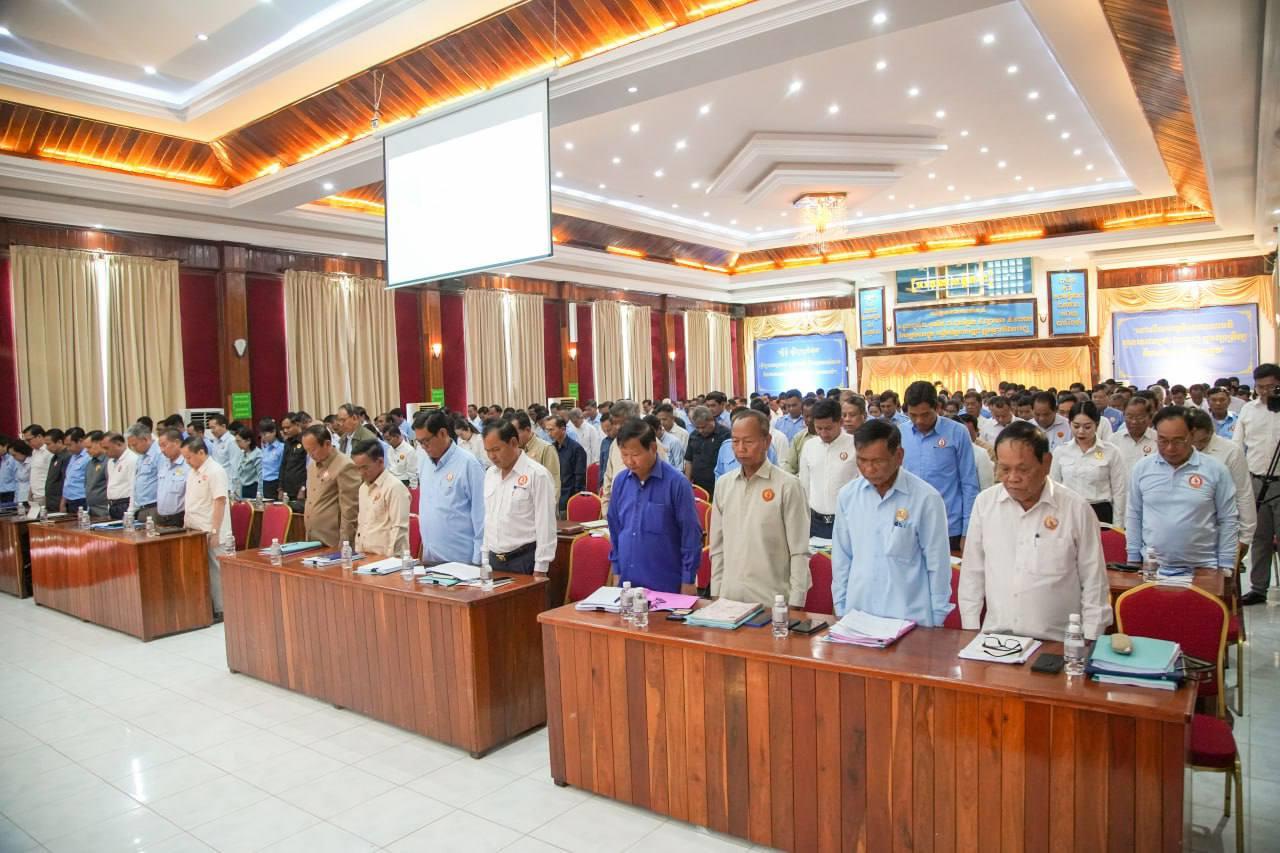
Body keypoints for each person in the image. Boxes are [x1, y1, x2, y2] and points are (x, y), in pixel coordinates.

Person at [959, 421, 1112, 641]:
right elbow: (972, 572)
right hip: (996, 639)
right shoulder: (985, 503)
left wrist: (1090, 639)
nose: (1012, 478)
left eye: (1023, 469)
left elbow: (1094, 581)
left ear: (1046, 463)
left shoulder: (1075, 508)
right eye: (1004, 469)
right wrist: (970, 628)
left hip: (1057, 641)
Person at [830, 419, 952, 625]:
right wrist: (841, 607)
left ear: (899, 456)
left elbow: (937, 563)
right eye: (862, 460)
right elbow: (842, 557)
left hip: (909, 617)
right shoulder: (847, 496)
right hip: (858, 614)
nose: (869, 469)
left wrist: (938, 617)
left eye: (877, 461)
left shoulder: (926, 499)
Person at [708, 409, 810, 607]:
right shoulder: (723, 484)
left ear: (766, 441)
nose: (740, 449)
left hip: (772, 600)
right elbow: (717, 546)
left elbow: (799, 550)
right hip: (729, 598)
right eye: (735, 441)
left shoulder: (788, 485)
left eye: (748, 441)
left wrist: (796, 602)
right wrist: (716, 591)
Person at [1126, 406, 1238, 575]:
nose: (1170, 448)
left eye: (1178, 441)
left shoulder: (1215, 470)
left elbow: (1228, 519)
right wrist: (1133, 558)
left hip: (1204, 567)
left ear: (1192, 435)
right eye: (1163, 440)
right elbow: (1134, 515)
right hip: (1154, 567)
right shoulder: (1142, 468)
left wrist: (1227, 564)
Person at [606, 417, 703, 593]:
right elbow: (615, 528)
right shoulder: (621, 482)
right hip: (628, 582)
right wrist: (617, 569)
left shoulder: (676, 483)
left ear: (653, 448)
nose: (629, 461)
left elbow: (690, 534)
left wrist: (688, 580)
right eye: (624, 455)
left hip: (666, 583)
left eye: (635, 455)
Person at [898, 381, 979, 550]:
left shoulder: (957, 432)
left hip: (949, 527)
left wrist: (968, 531)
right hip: (909, 525)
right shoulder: (899, 433)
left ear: (937, 407)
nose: (919, 421)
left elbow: (969, 483)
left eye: (925, 415)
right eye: (913, 415)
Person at [481, 419, 557, 575]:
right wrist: (485, 558)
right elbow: (489, 518)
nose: (492, 456)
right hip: (494, 560)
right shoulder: (490, 474)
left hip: (523, 560)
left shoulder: (537, 474)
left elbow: (546, 524)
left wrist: (541, 568)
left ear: (514, 443)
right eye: (487, 451)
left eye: (496, 449)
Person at [1233, 364, 1280, 603]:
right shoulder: (1248, 410)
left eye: (1270, 387)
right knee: (1260, 537)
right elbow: (1237, 445)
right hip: (1256, 480)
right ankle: (1258, 588)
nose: (1265, 392)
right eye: (1260, 387)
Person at [415, 411, 485, 565]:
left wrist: (478, 560)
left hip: (461, 560)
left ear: (442, 433)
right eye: (419, 442)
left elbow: (481, 515)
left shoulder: (468, 464)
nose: (423, 447)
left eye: (426, 441)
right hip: (431, 557)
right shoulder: (425, 462)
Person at [1189, 408, 1256, 556]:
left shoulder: (1231, 451)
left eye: (1203, 441)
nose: (1197, 446)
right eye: (1192, 441)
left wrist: (1246, 537)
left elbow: (1243, 494)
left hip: (1222, 531)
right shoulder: (1182, 449)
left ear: (1211, 431)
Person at [181, 437, 233, 619]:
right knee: (203, 570)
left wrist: (215, 531)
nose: (187, 461)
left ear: (201, 452)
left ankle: (224, 609)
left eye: (189, 457)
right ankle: (209, 608)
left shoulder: (215, 471)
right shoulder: (193, 472)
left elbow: (220, 501)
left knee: (217, 570)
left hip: (212, 530)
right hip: (195, 530)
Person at [1049, 401, 1126, 524]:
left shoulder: (1111, 452)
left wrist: (1118, 525)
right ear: (1069, 423)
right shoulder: (1061, 451)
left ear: (1097, 425)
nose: (1081, 431)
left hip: (1100, 512)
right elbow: (1054, 487)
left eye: (1087, 427)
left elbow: (1119, 492)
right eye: (1076, 426)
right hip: (1069, 511)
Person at [797, 398, 860, 539]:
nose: (824, 433)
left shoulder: (855, 445)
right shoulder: (809, 446)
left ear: (840, 422)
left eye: (828, 428)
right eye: (819, 428)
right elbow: (804, 484)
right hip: (815, 521)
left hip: (847, 519)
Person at [300, 424, 361, 548]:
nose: (310, 455)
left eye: (313, 450)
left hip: (332, 540)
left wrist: (345, 542)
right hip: (312, 537)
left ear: (327, 444)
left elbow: (350, 509)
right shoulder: (312, 466)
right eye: (307, 451)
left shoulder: (345, 465)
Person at [348, 440, 410, 557]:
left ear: (380, 462)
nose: (361, 473)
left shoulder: (395, 487)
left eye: (365, 467)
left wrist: (390, 561)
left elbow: (399, 529)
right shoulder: (363, 488)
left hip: (386, 559)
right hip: (365, 556)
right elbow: (362, 524)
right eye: (358, 468)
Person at [513, 411, 561, 509]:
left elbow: (554, 484)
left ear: (527, 430)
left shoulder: (546, 448)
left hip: (541, 508)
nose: (512, 438)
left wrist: (547, 509)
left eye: (516, 433)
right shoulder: (515, 450)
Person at [545, 415, 586, 515]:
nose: (549, 433)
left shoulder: (576, 449)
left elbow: (580, 478)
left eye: (551, 430)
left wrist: (575, 501)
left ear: (563, 429)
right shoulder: (551, 448)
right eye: (547, 430)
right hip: (554, 496)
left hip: (568, 498)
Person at [1113, 395, 1158, 481]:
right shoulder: (1114, 439)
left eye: (1139, 417)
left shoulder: (1158, 440)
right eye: (1129, 417)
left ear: (1150, 417)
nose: (1134, 421)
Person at [154, 428, 188, 527]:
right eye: (160, 446)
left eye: (164, 445)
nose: (161, 450)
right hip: (161, 517)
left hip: (179, 518)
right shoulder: (163, 464)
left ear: (177, 443)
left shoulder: (188, 465)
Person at [955, 414, 995, 490]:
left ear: (977, 432)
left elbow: (987, 486)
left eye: (969, 433)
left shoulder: (983, 452)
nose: (966, 437)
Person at [278, 413, 309, 505]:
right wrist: (280, 488)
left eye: (288, 427)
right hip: (287, 490)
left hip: (300, 489)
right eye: (283, 428)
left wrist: (303, 488)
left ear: (297, 425)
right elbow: (283, 465)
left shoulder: (305, 440)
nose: (285, 431)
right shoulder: (287, 442)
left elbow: (308, 467)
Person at [103, 433, 135, 520]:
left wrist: (130, 512)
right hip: (113, 505)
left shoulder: (132, 459)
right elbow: (111, 486)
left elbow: (134, 487)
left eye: (107, 448)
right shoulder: (110, 462)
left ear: (119, 444)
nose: (104, 451)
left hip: (125, 505)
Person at [60, 428, 89, 513]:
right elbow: (68, 480)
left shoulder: (88, 457)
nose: (67, 448)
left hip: (82, 499)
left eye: (69, 445)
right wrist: (63, 502)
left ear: (80, 441)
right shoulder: (73, 456)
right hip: (70, 500)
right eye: (66, 445)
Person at [23, 426, 51, 509]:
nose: (27, 443)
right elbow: (35, 474)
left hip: (45, 495)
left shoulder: (48, 451)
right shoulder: (34, 451)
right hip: (35, 495)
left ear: (39, 436)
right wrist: (30, 493)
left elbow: (51, 475)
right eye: (25, 441)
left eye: (29, 440)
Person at [258, 419, 285, 500]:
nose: (263, 437)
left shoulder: (281, 447)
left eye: (265, 434)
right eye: (261, 435)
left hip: (276, 482)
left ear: (274, 432)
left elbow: (283, 468)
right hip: (265, 482)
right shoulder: (265, 447)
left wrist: (281, 487)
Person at [233, 427, 260, 499]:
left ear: (248, 441)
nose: (237, 444)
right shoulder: (242, 453)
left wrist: (260, 496)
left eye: (239, 441)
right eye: (236, 441)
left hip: (253, 488)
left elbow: (261, 477)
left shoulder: (257, 454)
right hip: (242, 488)